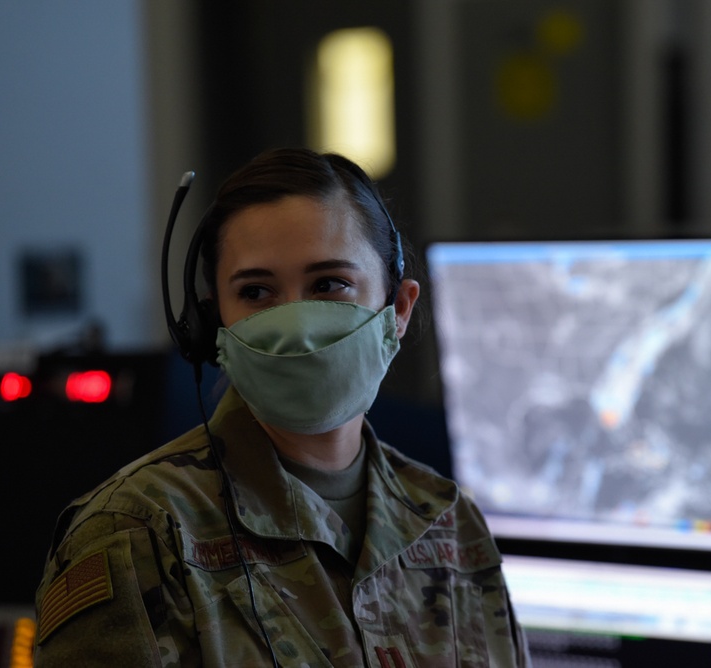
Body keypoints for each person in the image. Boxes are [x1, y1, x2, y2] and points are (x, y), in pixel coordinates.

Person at [33, 148, 531, 666]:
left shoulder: (451, 525)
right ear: (211, 326)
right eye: (256, 291)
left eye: (329, 285)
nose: (296, 323)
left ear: (398, 310)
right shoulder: (139, 533)